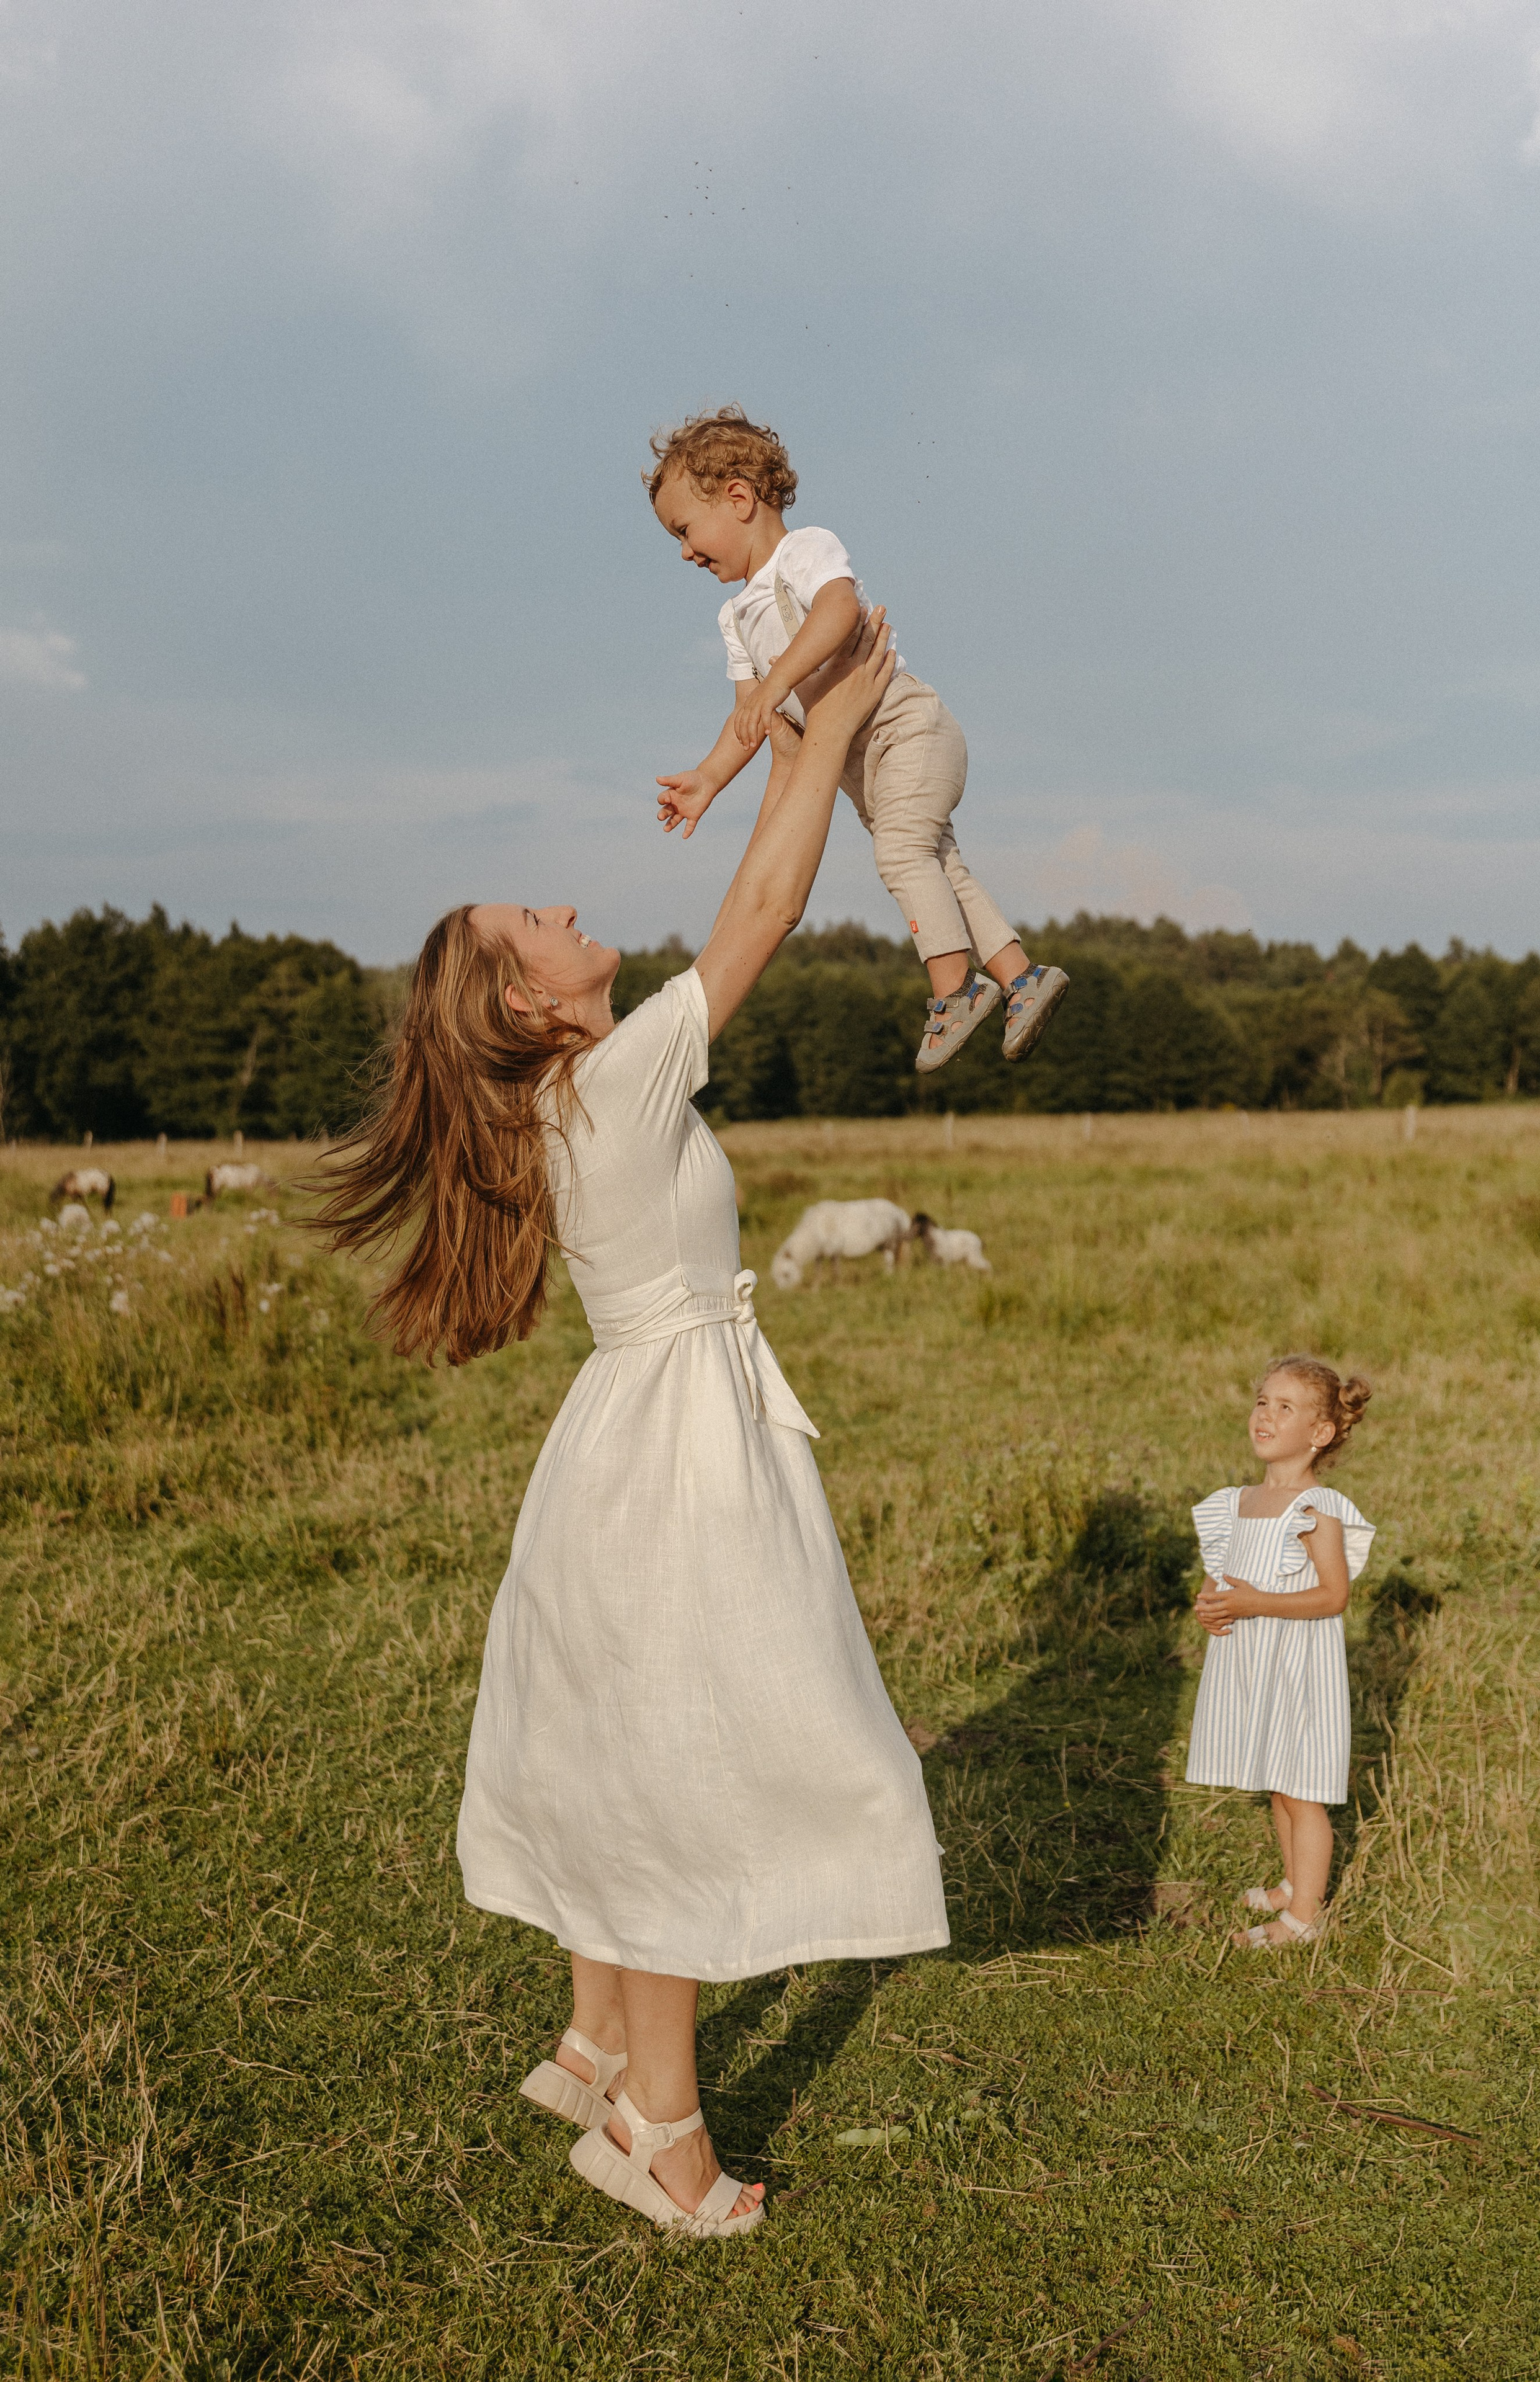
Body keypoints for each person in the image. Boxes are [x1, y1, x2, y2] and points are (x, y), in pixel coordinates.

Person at [317, 609, 948, 2241]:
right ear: (530, 1003)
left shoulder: (571, 1096)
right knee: (677, 1770)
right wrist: (858, 689)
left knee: (627, 1745)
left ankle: (601, 2039)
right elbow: (768, 901)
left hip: (637, 1433)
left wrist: (802, 724)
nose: (574, 907)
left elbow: (753, 865)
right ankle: (657, 2130)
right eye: (541, 918)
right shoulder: (609, 1083)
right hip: (671, 1447)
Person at [646, 404, 1069, 1075]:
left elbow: (839, 612)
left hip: (907, 731)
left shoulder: (803, 552)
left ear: (738, 498)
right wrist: (708, 778)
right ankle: (1022, 978)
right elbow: (751, 720)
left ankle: (956, 991)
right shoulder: (735, 618)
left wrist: (775, 679)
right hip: (861, 766)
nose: (683, 550)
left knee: (901, 854)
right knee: (936, 864)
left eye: (685, 529)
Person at [1186, 1357, 1376, 1949]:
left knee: (1303, 1790)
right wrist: (1214, 1603)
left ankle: (1305, 1919)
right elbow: (1230, 1580)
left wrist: (1255, 1603)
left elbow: (1333, 1596)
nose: (1265, 1415)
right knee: (1277, 1780)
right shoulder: (1239, 1501)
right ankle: (1294, 1885)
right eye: (1263, 1401)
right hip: (1255, 1661)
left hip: (1298, 1666)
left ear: (1319, 1434)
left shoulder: (1315, 1509)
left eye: (1285, 1408)